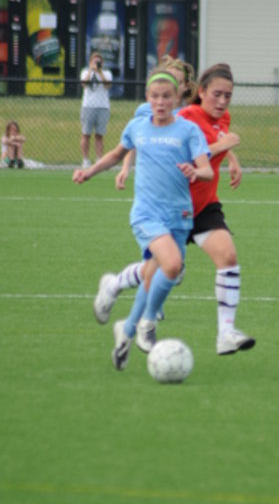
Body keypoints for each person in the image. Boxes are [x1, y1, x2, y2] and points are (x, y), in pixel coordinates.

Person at [94, 63, 256, 356]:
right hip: (171, 208)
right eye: (217, 94)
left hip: (203, 206)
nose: (222, 101)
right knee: (163, 270)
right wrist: (224, 146)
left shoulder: (221, 117)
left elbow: (214, 138)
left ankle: (226, 333)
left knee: (228, 256)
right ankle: (115, 287)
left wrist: (232, 158)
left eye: (228, 96)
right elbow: (169, 148)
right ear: (201, 92)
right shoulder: (184, 117)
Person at [73, 69, 213, 370]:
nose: (161, 102)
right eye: (155, 97)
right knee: (172, 265)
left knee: (152, 275)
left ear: (177, 97)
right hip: (147, 214)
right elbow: (115, 154)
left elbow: (207, 170)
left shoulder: (188, 130)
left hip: (179, 215)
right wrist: (89, 172)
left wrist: (195, 171)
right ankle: (147, 323)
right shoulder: (137, 126)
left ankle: (125, 331)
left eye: (167, 97)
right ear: (147, 98)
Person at [80, 52, 113, 168]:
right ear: (90, 62)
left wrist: (100, 72)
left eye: (99, 62)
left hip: (103, 107)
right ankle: (85, 160)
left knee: (99, 135)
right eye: (95, 62)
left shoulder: (107, 73)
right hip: (88, 106)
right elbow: (84, 84)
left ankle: (99, 159)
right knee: (86, 134)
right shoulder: (85, 72)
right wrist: (91, 70)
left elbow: (107, 85)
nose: (97, 64)